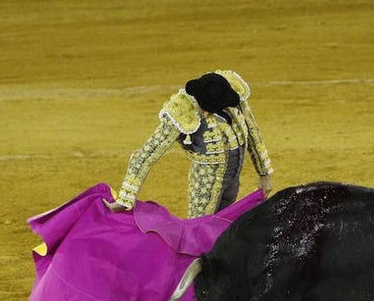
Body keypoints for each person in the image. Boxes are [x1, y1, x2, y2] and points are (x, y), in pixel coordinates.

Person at [107, 70, 274, 218]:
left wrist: (264, 174)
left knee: (224, 227)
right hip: (205, 181)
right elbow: (147, 152)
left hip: (234, 177)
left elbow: (253, 134)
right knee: (199, 232)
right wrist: (126, 197)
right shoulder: (183, 112)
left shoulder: (230, 95)